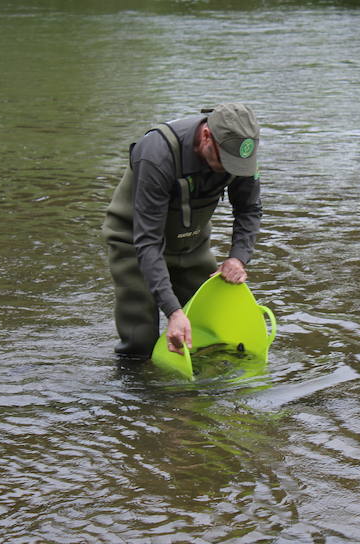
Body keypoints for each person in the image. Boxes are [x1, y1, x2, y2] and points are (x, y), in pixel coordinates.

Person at [102, 103, 262, 359]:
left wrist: (237, 257)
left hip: (192, 244)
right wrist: (173, 311)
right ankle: (137, 395)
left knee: (210, 333)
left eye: (239, 164)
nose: (233, 170)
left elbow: (249, 210)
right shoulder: (156, 154)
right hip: (134, 242)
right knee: (140, 342)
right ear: (207, 136)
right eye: (225, 161)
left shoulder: (240, 155)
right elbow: (148, 241)